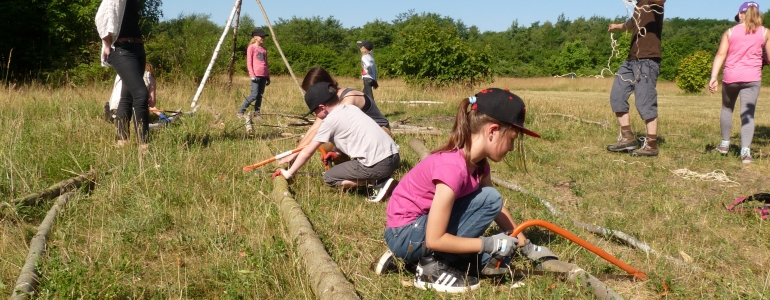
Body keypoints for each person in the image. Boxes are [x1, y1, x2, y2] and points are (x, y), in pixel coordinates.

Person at [378, 88, 555, 293]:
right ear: (492, 131)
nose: (512, 148)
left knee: (491, 236)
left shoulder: (479, 164)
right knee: (490, 205)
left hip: (419, 230)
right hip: (405, 233)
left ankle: (417, 259)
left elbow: (495, 207)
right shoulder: (453, 168)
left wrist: (526, 246)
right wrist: (488, 243)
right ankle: (430, 269)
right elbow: (435, 238)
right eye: (512, 138)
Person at [272, 82, 400, 202]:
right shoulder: (351, 109)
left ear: (322, 108)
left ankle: (379, 183)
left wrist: (289, 173)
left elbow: (307, 151)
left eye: (314, 112)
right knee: (352, 166)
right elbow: (354, 137)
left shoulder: (329, 121)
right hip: (394, 156)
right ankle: (381, 178)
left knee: (329, 177)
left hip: (378, 164)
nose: (315, 115)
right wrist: (337, 153)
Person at [278, 67, 392, 167]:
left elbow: (320, 129)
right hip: (361, 134)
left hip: (381, 133)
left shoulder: (348, 98)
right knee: (327, 144)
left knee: (328, 138)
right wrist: (294, 153)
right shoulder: (328, 101)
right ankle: (345, 168)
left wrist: (297, 154)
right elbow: (314, 128)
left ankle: (368, 173)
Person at [708, 1, 769, 164]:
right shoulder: (765, 32)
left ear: (741, 15)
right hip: (752, 78)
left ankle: (724, 145)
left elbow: (720, 55)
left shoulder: (729, 32)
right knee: (747, 114)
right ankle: (745, 152)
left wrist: (713, 77)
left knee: (727, 108)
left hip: (731, 77)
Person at [606, 0, 666, 157]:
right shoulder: (638, 5)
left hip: (648, 60)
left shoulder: (653, 3)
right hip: (631, 60)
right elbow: (631, 23)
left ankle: (651, 144)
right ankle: (627, 137)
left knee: (644, 101)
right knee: (617, 96)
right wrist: (617, 26)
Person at [96, 0, 151, 149]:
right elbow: (101, 15)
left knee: (127, 96)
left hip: (138, 48)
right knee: (141, 93)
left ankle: (121, 141)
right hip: (121, 49)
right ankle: (144, 145)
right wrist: (107, 43)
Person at [105, 62, 171, 124]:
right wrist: (161, 114)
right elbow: (151, 104)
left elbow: (113, 95)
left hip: (113, 108)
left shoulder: (120, 74)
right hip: (132, 111)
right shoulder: (149, 77)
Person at [237, 28, 270, 121]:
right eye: (261, 36)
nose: (263, 38)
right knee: (254, 95)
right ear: (255, 37)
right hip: (255, 75)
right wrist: (252, 75)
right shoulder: (251, 47)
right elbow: (249, 62)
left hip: (263, 75)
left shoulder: (264, 49)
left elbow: (266, 63)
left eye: (264, 36)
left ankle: (257, 114)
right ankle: (240, 111)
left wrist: (268, 76)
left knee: (260, 95)